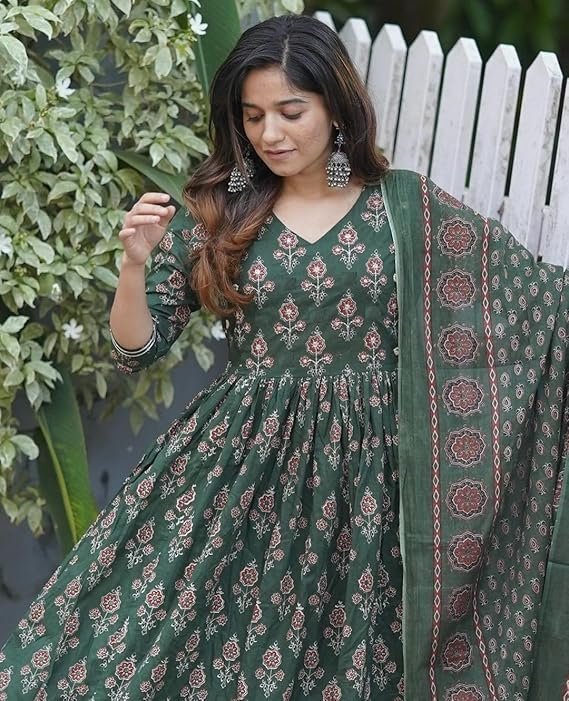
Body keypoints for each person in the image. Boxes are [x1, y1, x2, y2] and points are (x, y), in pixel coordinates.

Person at [1, 12, 568, 701]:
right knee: (184, 642)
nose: (269, 133)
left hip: (378, 477)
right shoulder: (225, 212)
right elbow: (136, 350)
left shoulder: (407, 208)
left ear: (336, 108)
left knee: (358, 651)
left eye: (290, 112)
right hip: (246, 468)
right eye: (253, 116)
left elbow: (538, 304)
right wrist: (134, 263)